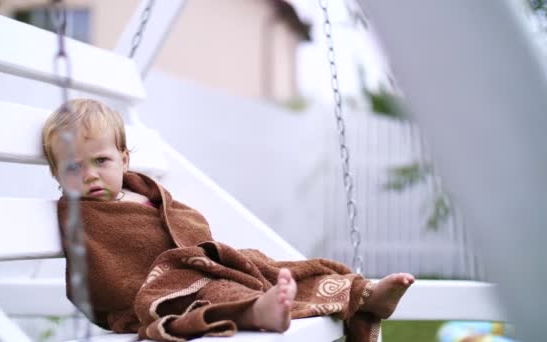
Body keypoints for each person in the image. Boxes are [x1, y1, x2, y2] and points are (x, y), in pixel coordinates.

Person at [42, 98, 415, 342]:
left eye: (100, 161)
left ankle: (363, 293)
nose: (89, 175)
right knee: (214, 293)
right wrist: (178, 269)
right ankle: (259, 310)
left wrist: (199, 252)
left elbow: (185, 220)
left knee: (272, 266)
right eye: (73, 167)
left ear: (124, 160)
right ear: (57, 176)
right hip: (159, 288)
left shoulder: (145, 191)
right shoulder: (82, 216)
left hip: (201, 264)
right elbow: (103, 277)